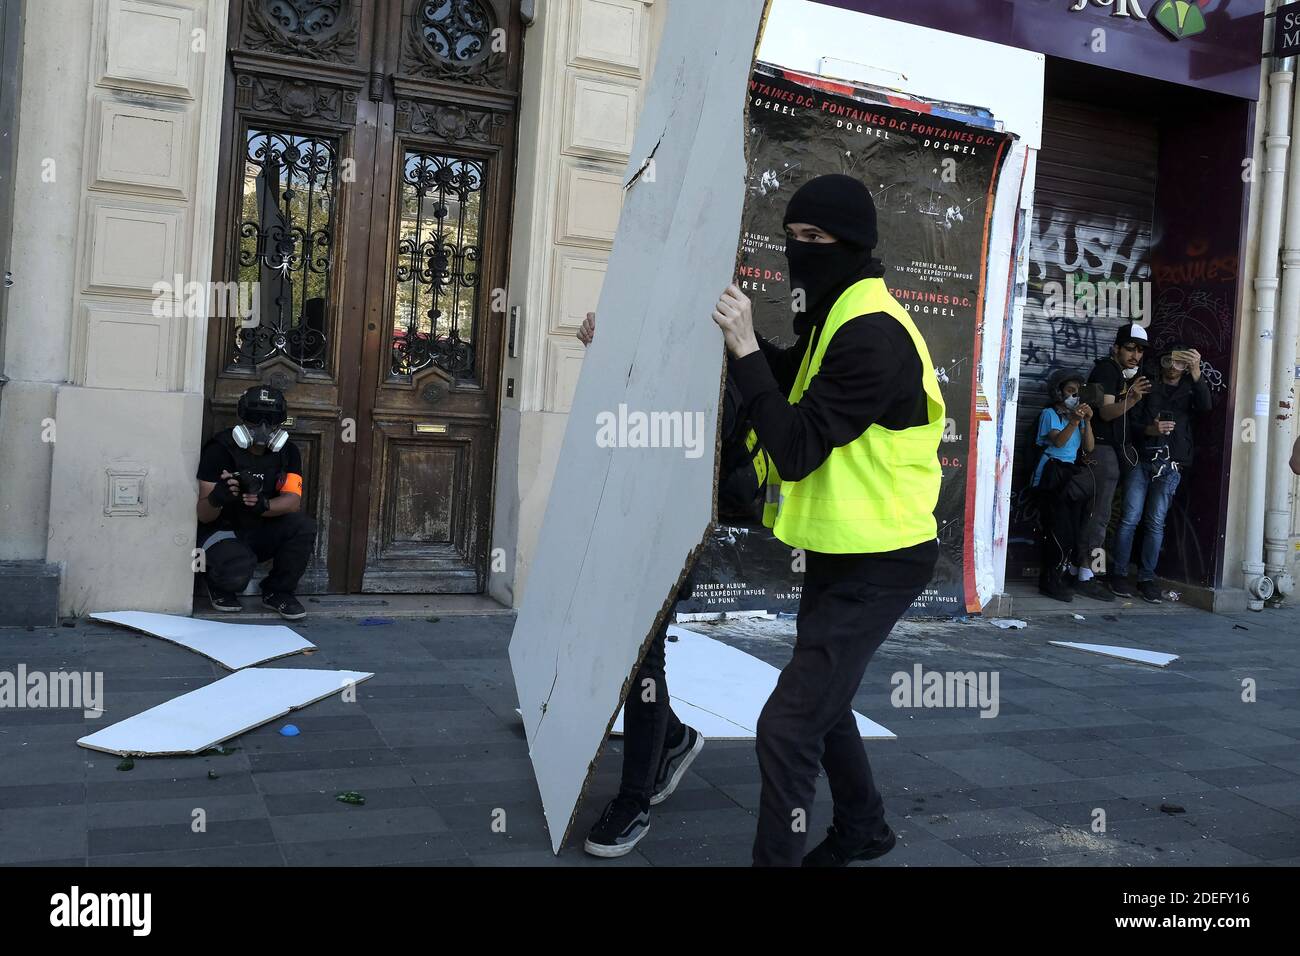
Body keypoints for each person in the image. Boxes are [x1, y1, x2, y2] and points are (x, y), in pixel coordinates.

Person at [710, 174, 943, 867]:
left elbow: (796, 446)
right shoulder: (838, 311)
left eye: (813, 238)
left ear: (853, 243)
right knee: (824, 702)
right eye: (792, 237)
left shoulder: (873, 334)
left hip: (885, 559)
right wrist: (732, 344)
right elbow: (790, 381)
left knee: (785, 727)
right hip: (843, 548)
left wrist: (747, 351)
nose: (797, 250)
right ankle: (863, 829)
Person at [196, 385, 316, 621]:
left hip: (261, 526)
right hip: (224, 530)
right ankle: (218, 586)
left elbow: (292, 502)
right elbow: (202, 515)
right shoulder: (219, 450)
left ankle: (278, 591)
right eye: (254, 421)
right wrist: (218, 497)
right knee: (238, 566)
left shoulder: (288, 452)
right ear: (242, 419)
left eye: (270, 422)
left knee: (303, 526)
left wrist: (264, 505)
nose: (262, 429)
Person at [1109, 343, 1212, 603]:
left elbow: (1206, 407)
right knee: (1130, 518)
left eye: (1180, 362)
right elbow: (1130, 422)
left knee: (1155, 522)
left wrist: (1197, 370)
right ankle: (1118, 574)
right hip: (1142, 458)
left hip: (1171, 462)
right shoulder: (1148, 385)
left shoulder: (1190, 387)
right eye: (1169, 361)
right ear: (1161, 362)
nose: (1174, 368)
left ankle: (1147, 578)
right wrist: (1150, 430)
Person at [1081, 322, 1153, 602]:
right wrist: (1132, 399)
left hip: (1106, 451)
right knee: (1098, 515)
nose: (1136, 355)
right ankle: (1086, 575)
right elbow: (1107, 413)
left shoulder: (1117, 373)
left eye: (1140, 350)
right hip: (1100, 450)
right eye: (1130, 348)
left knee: (1098, 513)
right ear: (1116, 348)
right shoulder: (1107, 371)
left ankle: (1083, 570)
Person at [1031, 370, 1096, 602]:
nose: (1074, 396)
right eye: (1070, 391)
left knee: (1070, 530)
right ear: (1059, 392)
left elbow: (1088, 448)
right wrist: (1075, 420)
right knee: (1056, 529)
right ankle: (1048, 579)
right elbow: (1058, 441)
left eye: (1078, 392)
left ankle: (1061, 575)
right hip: (1051, 475)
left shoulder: (1077, 419)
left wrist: (1086, 421)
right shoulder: (1050, 414)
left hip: (1070, 477)